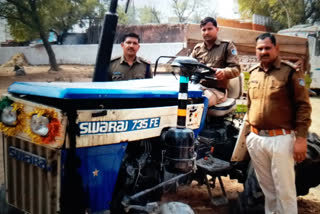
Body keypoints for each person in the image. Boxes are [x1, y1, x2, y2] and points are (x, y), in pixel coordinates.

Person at [246, 32, 312, 214]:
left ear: (277, 49)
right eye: (260, 49)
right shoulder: (253, 74)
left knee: (285, 191)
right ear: (256, 51)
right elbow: (250, 104)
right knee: (268, 190)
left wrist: (301, 139)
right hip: (257, 139)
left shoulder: (289, 72)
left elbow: (303, 107)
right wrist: (248, 134)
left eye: (268, 48)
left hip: (281, 139)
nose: (264, 52)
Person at [190, 17, 240, 107]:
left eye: (210, 29)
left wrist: (224, 72)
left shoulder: (227, 46)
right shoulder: (197, 49)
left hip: (217, 91)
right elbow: (188, 66)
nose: (206, 32)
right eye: (203, 30)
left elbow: (236, 69)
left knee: (199, 102)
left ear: (217, 29)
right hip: (197, 87)